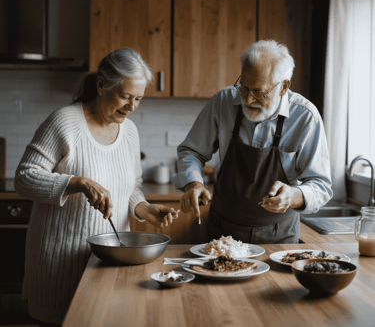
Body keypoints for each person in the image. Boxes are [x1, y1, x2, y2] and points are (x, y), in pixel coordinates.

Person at [14, 48, 179, 326]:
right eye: (125, 96)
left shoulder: (129, 131)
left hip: (109, 266)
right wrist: (77, 182)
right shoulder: (65, 122)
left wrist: (143, 207)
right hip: (59, 266)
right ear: (102, 85)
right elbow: (24, 178)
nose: (132, 107)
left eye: (138, 98)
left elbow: (130, 185)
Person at [172, 40, 332, 244]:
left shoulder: (305, 117)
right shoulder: (223, 102)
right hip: (222, 233)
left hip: (278, 236)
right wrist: (193, 184)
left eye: (259, 92)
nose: (247, 99)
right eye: (244, 87)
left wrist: (293, 195)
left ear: (283, 87)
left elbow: (321, 185)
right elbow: (191, 151)